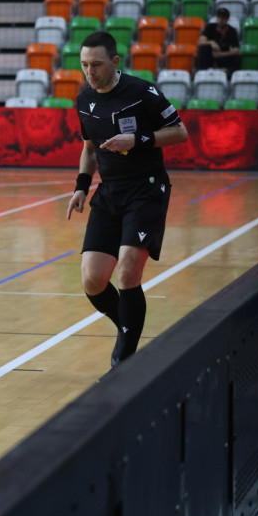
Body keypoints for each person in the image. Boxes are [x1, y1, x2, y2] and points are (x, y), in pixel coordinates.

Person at [67, 31, 188, 368]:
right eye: (84, 65)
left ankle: (124, 361)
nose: (90, 72)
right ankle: (128, 326)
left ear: (115, 62)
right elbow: (89, 147)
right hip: (109, 192)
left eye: (97, 65)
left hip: (146, 188)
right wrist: (81, 186)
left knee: (128, 271)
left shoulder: (142, 92)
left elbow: (180, 132)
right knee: (92, 279)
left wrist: (137, 139)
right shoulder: (84, 100)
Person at [196, 7, 241, 76]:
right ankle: (203, 73)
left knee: (237, 58)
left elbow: (237, 49)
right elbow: (200, 42)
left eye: (223, 18)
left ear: (227, 19)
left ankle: (230, 77)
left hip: (223, 56)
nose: (220, 20)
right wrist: (211, 42)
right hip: (210, 56)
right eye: (219, 17)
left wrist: (221, 54)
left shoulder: (232, 31)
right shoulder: (210, 27)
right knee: (202, 49)